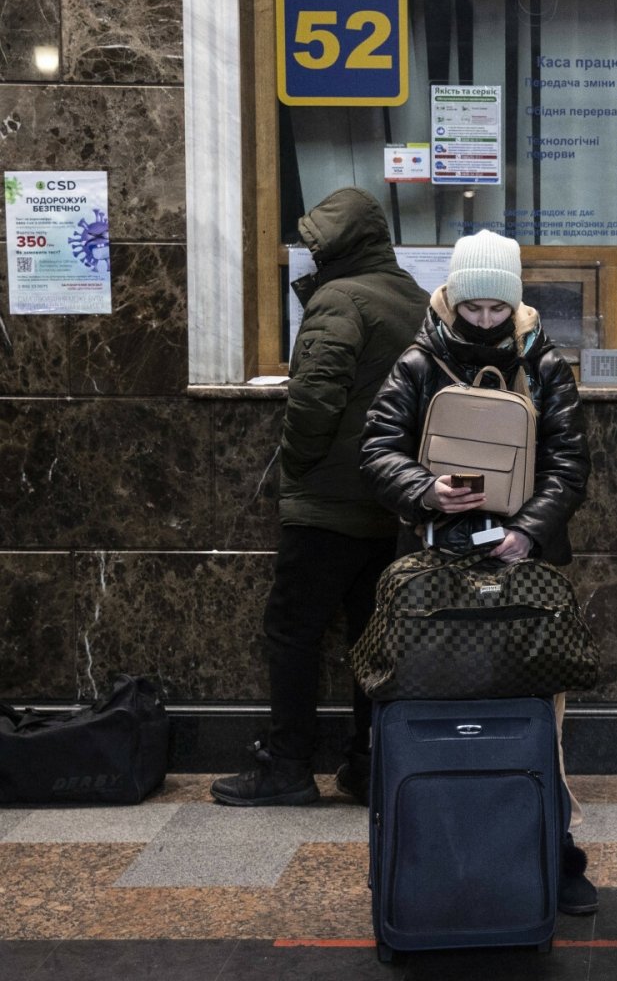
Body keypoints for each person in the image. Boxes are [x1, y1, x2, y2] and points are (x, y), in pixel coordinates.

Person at [360, 228, 596, 914]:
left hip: (521, 570)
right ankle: (444, 852)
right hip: (435, 565)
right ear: (454, 300)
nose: (486, 320)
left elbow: (569, 466)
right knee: (440, 712)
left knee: (534, 719)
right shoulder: (416, 361)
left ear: (514, 301)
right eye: (474, 309)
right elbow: (378, 449)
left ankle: (554, 856)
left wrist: (526, 531)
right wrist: (425, 492)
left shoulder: (543, 363)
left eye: (499, 309)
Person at [211, 186, 428, 808]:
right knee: (372, 637)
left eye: (314, 244)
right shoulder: (413, 298)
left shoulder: (339, 299)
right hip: (391, 500)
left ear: (338, 247)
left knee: (293, 631)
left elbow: (314, 399)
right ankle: (367, 762)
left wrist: (299, 465)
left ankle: (287, 766)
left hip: (329, 501)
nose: (306, 256)